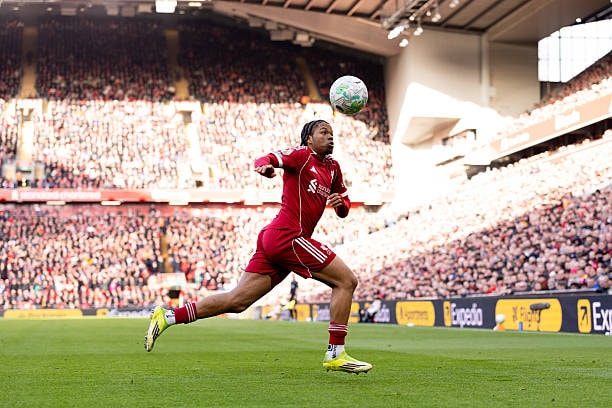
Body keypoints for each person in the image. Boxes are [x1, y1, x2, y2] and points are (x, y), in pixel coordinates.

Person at [144, 119, 372, 374]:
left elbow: (344, 207)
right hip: (289, 236)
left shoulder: (333, 167)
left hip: (277, 239)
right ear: (309, 138)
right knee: (346, 281)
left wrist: (340, 204)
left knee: (237, 301)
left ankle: (168, 316)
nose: (330, 137)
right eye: (324, 132)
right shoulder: (302, 155)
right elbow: (267, 158)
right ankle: (336, 353)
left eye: (332, 133)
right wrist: (265, 167)